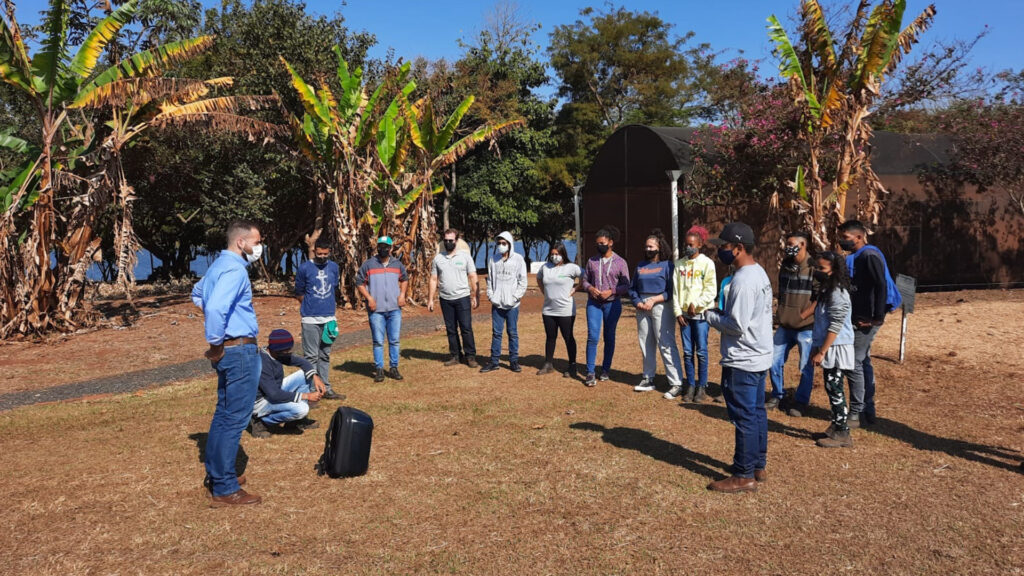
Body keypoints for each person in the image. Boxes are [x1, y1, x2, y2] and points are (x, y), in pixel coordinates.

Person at [191, 219, 264, 507]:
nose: (259, 247)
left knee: (223, 415)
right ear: (241, 242)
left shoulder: (217, 267)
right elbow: (216, 307)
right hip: (238, 350)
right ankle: (224, 487)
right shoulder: (235, 270)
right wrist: (216, 345)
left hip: (231, 349)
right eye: (256, 242)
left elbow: (197, 295)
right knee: (235, 419)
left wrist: (219, 333)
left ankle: (219, 474)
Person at [704, 222, 773, 493]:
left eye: (724, 246)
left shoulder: (743, 281)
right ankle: (758, 464)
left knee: (744, 416)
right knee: (756, 413)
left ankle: (744, 475)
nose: (721, 250)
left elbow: (736, 324)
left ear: (739, 248)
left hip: (743, 358)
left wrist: (708, 315)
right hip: (757, 355)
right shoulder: (759, 273)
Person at [800, 251, 856, 448]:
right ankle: (836, 426)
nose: (817, 271)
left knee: (835, 388)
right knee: (831, 386)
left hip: (836, 347)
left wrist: (822, 351)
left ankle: (842, 432)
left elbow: (835, 325)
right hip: (828, 346)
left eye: (822, 269)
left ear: (834, 270)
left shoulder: (838, 293)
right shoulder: (827, 290)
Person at [839, 220, 889, 427]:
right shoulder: (856, 257)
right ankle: (868, 408)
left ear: (859, 237)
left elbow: (881, 285)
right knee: (863, 360)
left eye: (846, 238)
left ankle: (856, 413)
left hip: (866, 320)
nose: (842, 242)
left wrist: (876, 317)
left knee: (854, 363)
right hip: (859, 317)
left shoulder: (869, 255)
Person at [629, 230, 682, 393]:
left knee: (665, 342)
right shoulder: (640, 266)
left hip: (661, 305)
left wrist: (654, 300)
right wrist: (638, 302)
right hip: (642, 307)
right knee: (645, 342)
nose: (648, 249)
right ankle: (648, 378)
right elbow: (632, 288)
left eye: (651, 246)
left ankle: (676, 382)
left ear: (659, 247)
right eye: (646, 246)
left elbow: (672, 290)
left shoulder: (668, 266)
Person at [769, 231, 816, 413]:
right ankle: (777, 395)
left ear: (803, 245)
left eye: (790, 244)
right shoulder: (786, 266)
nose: (787, 247)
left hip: (806, 327)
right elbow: (781, 292)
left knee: (805, 366)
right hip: (784, 325)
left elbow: (819, 297)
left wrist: (805, 314)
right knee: (773, 360)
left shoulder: (813, 267)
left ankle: (801, 402)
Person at [250, 329, 328, 438]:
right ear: (278, 350)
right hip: (261, 402)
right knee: (302, 409)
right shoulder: (263, 363)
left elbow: (302, 362)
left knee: (305, 374)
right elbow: (274, 395)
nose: (289, 352)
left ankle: (294, 422)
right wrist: (306, 396)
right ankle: (261, 421)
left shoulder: (275, 353)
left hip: (273, 391)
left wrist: (315, 377)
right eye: (287, 350)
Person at [669, 225, 717, 402]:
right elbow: (675, 291)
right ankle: (690, 385)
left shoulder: (707, 264)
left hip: (701, 316)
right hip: (684, 317)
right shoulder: (679, 264)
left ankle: (701, 386)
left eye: (691, 244)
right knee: (688, 352)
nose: (687, 247)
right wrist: (677, 312)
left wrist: (696, 304)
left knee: (702, 352)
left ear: (700, 244)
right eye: (686, 244)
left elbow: (711, 290)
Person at [295, 236, 344, 400]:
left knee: (325, 354)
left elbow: (334, 287)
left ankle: (326, 388)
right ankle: (311, 390)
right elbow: (299, 292)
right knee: (311, 356)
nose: (323, 257)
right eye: (320, 254)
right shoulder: (304, 268)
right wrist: (309, 306)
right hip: (310, 319)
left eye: (326, 254)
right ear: (314, 251)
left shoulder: (334, 267)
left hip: (329, 318)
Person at [580, 226, 630, 387]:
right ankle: (590, 372)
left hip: (612, 304)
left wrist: (612, 291)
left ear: (610, 243)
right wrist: (589, 288)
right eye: (597, 243)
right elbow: (585, 280)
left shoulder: (621, 262)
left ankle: (605, 369)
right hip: (594, 304)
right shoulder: (592, 261)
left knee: (609, 336)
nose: (599, 245)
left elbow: (627, 285)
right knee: (593, 336)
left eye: (602, 243)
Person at [356, 236, 408, 383]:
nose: (383, 249)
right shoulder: (369, 264)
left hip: (394, 309)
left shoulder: (397, 264)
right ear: (377, 247)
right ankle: (379, 369)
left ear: (391, 248)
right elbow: (359, 282)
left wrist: (402, 295)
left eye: (386, 246)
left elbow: (404, 279)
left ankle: (394, 367)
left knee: (395, 340)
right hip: (376, 310)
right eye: (380, 246)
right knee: (378, 341)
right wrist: (369, 298)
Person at [428, 229, 480, 368]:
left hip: (462, 298)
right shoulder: (438, 259)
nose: (448, 243)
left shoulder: (465, 257)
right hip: (445, 299)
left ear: (456, 241)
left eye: (451, 240)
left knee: (466, 328)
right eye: (446, 241)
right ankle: (456, 355)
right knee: (451, 329)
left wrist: (476, 295)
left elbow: (473, 276)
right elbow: (433, 279)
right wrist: (431, 299)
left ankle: (470, 356)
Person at [481, 231, 528, 373]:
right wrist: (491, 295)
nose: (501, 246)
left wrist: (515, 297)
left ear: (509, 244)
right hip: (497, 305)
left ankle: (514, 361)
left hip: (512, 305)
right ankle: (494, 361)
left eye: (504, 243)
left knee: (512, 332)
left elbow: (523, 281)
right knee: (496, 333)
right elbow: (489, 280)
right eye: (499, 243)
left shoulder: (518, 259)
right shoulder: (493, 259)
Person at [536, 242, 583, 377]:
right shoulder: (545, 267)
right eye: (552, 254)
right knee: (550, 337)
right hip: (548, 310)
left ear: (563, 254)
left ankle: (572, 365)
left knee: (568, 337)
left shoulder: (571, 267)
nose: (554, 257)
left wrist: (575, 289)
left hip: (565, 310)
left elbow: (585, 276)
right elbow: (539, 279)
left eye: (557, 254)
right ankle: (548, 363)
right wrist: (544, 291)